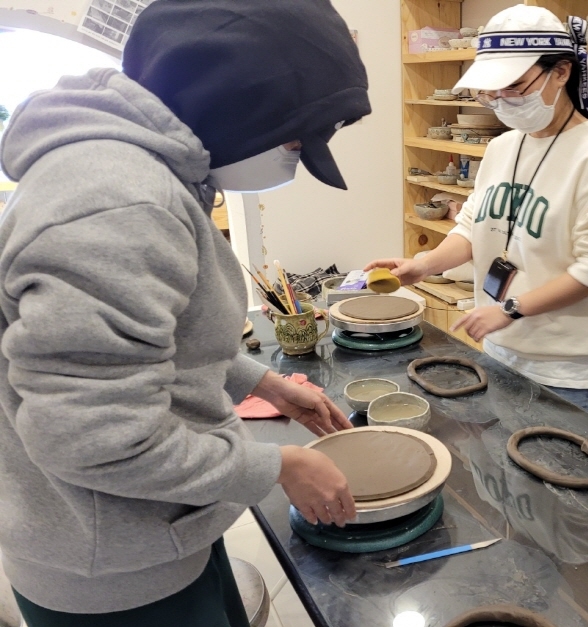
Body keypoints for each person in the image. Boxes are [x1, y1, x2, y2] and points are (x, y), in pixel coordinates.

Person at [0, 0, 371, 624]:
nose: (293, 157)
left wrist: (264, 383)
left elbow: (152, 343)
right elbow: (91, 438)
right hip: (110, 572)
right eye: (293, 138)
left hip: (154, 524)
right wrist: (276, 465)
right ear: (236, 102)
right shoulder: (118, 203)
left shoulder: (147, 168)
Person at [368, 5, 588, 417]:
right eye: (489, 91)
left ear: (561, 72)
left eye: (515, 86)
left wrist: (512, 309)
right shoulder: (503, 146)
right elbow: (474, 226)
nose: (500, 100)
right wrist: (423, 265)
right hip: (500, 349)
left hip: (565, 370)